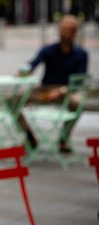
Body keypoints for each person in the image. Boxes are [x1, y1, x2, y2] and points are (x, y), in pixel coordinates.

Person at [16, 15, 89, 153]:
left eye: (67, 30)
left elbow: (80, 80)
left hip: (66, 91)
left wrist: (61, 91)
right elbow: (33, 63)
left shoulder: (81, 54)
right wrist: (24, 70)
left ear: (74, 33)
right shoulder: (48, 50)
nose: (62, 32)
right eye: (61, 29)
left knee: (79, 103)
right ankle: (29, 136)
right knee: (11, 99)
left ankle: (63, 138)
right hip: (45, 89)